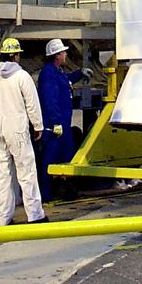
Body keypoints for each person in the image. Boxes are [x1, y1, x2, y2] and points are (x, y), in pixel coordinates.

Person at [0, 37, 45, 226]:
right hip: (16, 130)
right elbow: (32, 103)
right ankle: (35, 215)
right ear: (16, 55)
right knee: (26, 172)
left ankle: (3, 218)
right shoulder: (22, 77)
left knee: (1, 175)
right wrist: (38, 125)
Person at [36, 38, 87, 201]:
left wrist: (80, 73)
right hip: (55, 126)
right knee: (49, 160)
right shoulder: (48, 73)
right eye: (63, 52)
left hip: (63, 123)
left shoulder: (57, 71)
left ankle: (63, 190)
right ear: (56, 55)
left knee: (65, 158)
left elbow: (66, 81)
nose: (66, 54)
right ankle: (45, 194)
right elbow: (50, 99)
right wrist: (55, 122)